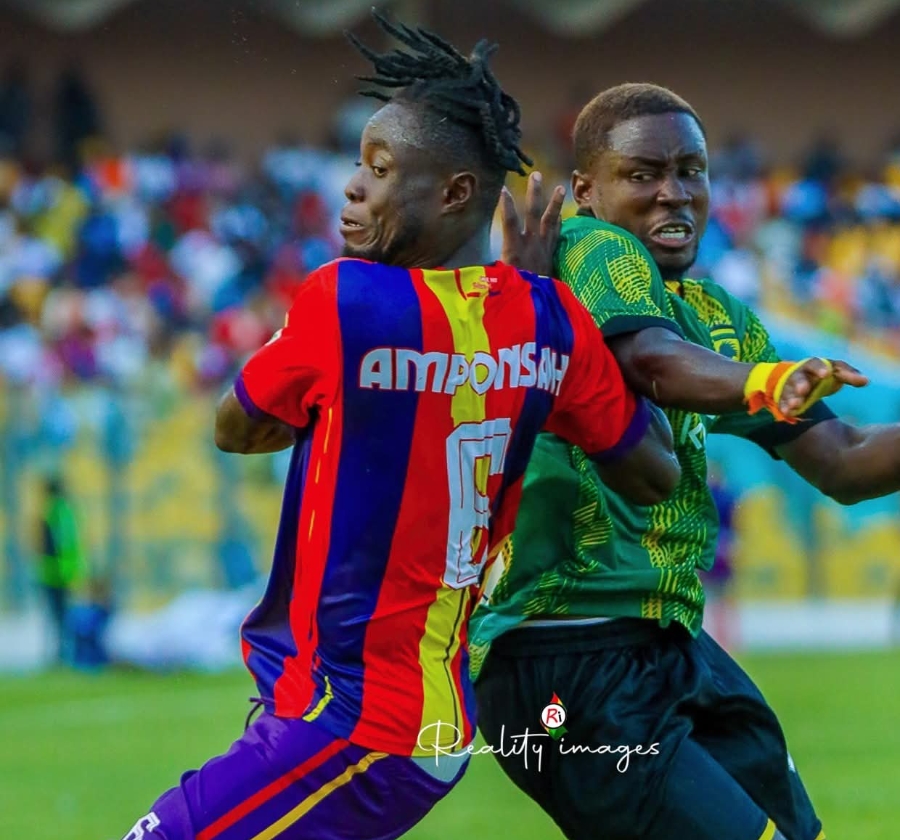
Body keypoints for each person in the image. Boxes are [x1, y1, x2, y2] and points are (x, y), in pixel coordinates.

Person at [118, 20, 686, 840]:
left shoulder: (346, 299)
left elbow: (237, 428)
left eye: (380, 170)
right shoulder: (548, 318)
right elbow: (654, 471)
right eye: (360, 165)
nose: (353, 188)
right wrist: (581, 314)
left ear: (455, 194)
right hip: (414, 714)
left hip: (357, 724)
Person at [471, 83, 900, 840]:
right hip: (564, 653)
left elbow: (843, 461)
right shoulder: (587, 248)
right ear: (585, 191)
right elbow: (651, 360)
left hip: (664, 640)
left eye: (691, 170)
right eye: (643, 174)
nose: (673, 193)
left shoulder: (717, 317)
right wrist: (763, 382)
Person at [38, 475, 84, 665]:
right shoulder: (66, 511)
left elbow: (53, 545)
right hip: (64, 572)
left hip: (55, 573)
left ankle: (62, 655)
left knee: (58, 617)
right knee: (62, 616)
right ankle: (65, 654)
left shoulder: (53, 512)